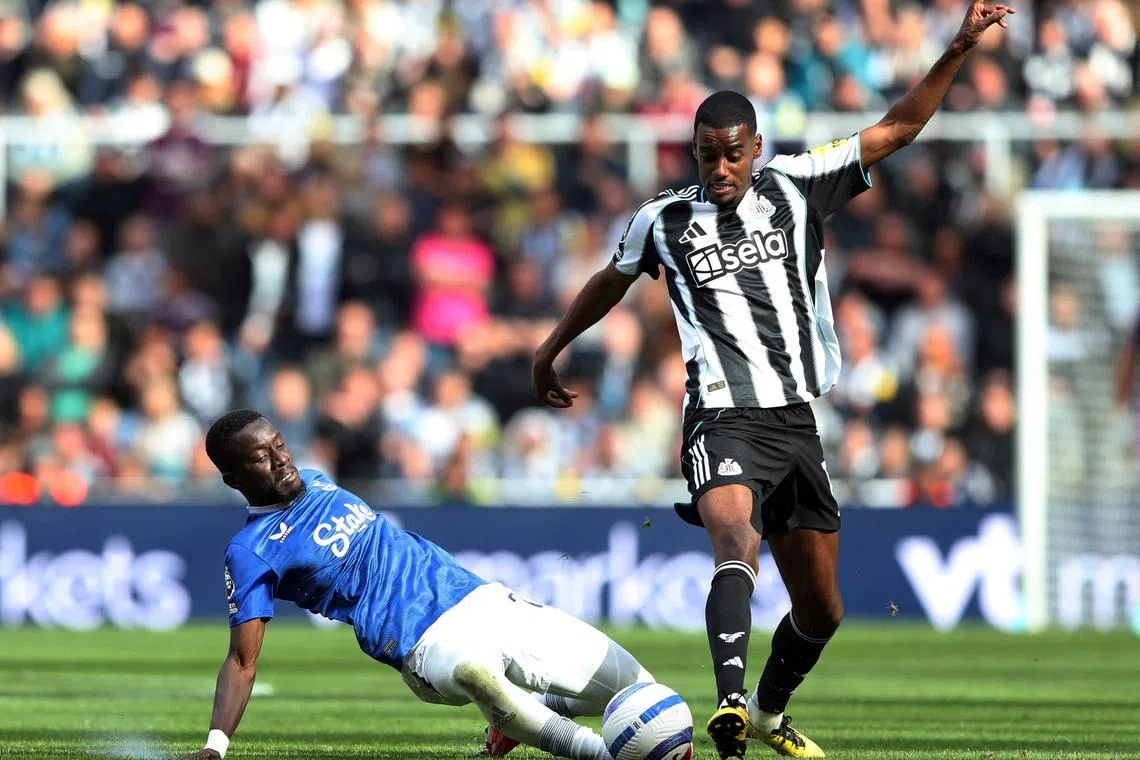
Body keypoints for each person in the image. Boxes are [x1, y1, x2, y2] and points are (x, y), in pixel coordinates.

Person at [532, 3, 1014, 758]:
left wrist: (956, 48)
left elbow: (897, 129)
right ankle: (727, 704)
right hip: (721, 416)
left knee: (822, 610)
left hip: (794, 420)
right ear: (693, 154)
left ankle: (763, 710)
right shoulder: (662, 220)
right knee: (735, 541)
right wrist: (550, 349)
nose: (719, 169)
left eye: (731, 154)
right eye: (706, 157)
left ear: (755, 147)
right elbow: (609, 280)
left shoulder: (797, 186)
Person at [180, 409, 657, 760]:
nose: (282, 460)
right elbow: (241, 660)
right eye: (261, 458)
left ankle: (518, 720)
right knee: (475, 671)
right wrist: (215, 746)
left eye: (280, 445)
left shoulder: (318, 479)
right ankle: (601, 754)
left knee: (639, 687)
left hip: (478, 596)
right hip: (420, 642)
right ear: (232, 478)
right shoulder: (252, 550)